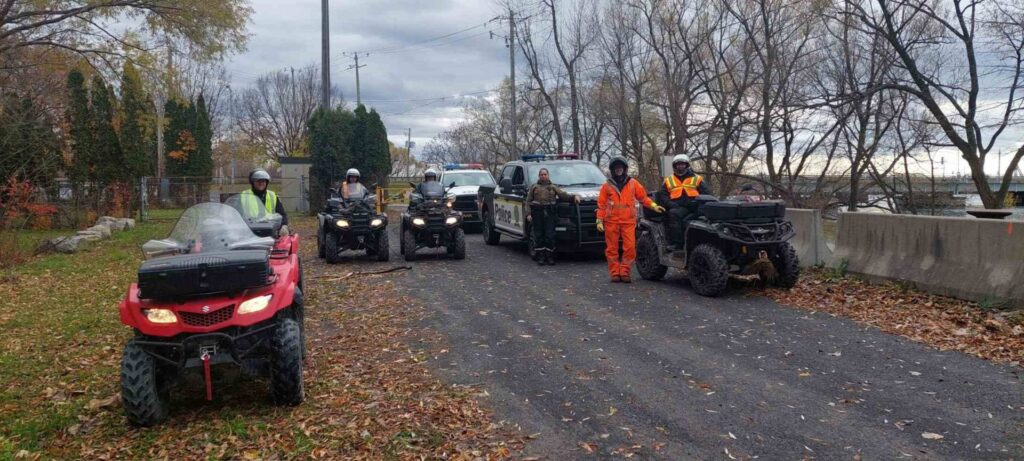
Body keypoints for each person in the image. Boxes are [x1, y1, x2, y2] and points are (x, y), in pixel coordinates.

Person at [597, 157, 665, 283]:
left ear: (624, 169)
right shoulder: (606, 186)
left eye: (621, 167)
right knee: (612, 249)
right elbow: (601, 205)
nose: (619, 170)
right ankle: (615, 273)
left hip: (628, 221)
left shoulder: (633, 183)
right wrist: (599, 221)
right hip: (611, 222)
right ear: (612, 170)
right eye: (616, 168)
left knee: (630, 248)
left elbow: (643, 198)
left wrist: (654, 206)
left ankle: (624, 271)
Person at [525, 168, 580, 266]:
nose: (543, 176)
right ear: (539, 176)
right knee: (539, 235)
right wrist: (528, 214)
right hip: (537, 214)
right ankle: (541, 257)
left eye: (545, 174)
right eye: (541, 174)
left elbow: (563, 196)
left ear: (548, 175)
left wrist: (574, 197)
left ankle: (550, 257)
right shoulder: (534, 187)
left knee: (550, 235)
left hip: (550, 214)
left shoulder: (553, 187)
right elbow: (528, 201)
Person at [656, 154, 710, 247]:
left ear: (687, 165)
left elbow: (706, 193)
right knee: (673, 214)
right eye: (678, 164)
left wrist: (701, 206)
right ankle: (678, 243)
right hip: (678, 207)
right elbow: (663, 195)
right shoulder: (668, 180)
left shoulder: (697, 178)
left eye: (682, 164)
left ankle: (702, 242)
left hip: (695, 205)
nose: (680, 166)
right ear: (675, 166)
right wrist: (670, 204)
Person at [238, 168, 289, 235]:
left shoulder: (272, 195)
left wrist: (283, 226)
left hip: (270, 231)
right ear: (253, 182)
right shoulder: (244, 195)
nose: (261, 183)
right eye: (258, 181)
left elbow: (282, 214)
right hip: (249, 232)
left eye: (263, 181)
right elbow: (236, 215)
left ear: (266, 182)